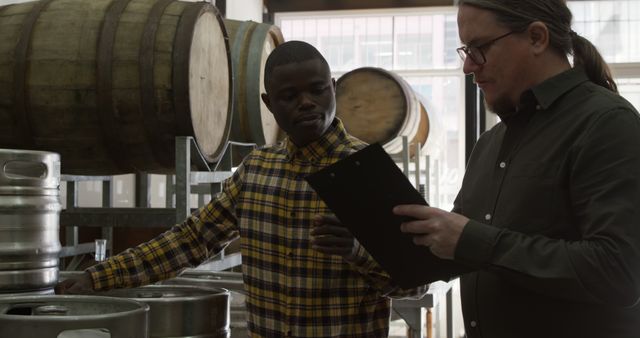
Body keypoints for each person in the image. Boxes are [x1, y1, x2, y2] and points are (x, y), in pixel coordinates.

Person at [56, 40, 426, 337]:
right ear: (268, 104)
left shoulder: (370, 172)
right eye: (289, 96)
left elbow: (416, 285)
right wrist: (98, 277)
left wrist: (356, 251)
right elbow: (191, 240)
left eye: (316, 90)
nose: (306, 103)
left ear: (332, 88)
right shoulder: (257, 171)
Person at [394, 1, 640, 338]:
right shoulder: (491, 142)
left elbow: (618, 272)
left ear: (537, 38)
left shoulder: (606, 124)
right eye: (466, 50)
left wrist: (473, 240)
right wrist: (371, 239)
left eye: (479, 48)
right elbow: (458, 249)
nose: (468, 66)